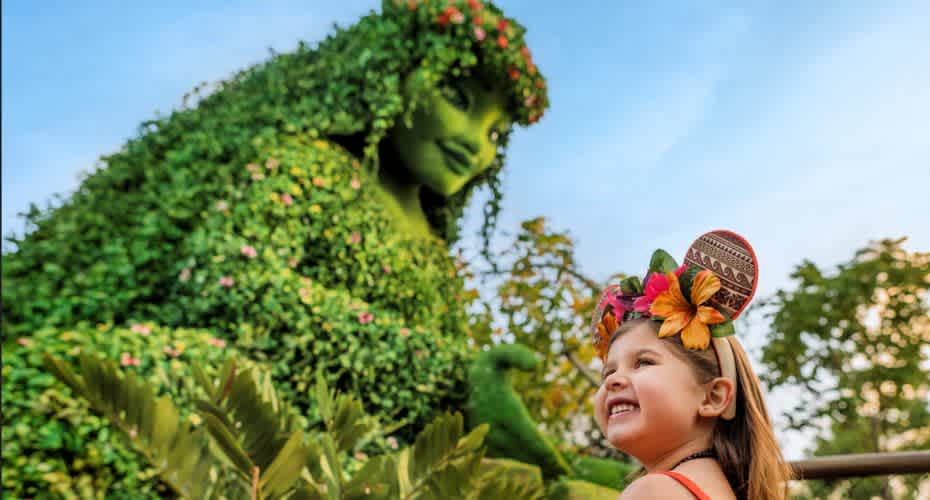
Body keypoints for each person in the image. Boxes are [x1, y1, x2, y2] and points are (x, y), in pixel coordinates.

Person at [1, 1, 552, 495]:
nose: (475, 143)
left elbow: (451, 411)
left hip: (383, 463)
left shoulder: (436, 257)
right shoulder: (311, 167)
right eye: (456, 98)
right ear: (391, 75)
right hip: (258, 432)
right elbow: (228, 284)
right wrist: (453, 377)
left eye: (496, 134)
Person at [590, 231, 790, 499]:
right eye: (609, 372)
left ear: (713, 396)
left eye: (643, 362)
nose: (613, 381)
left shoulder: (653, 492)